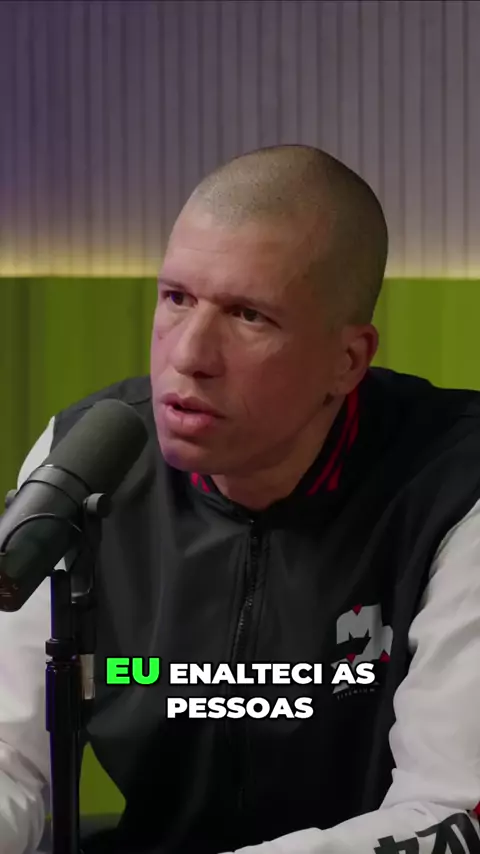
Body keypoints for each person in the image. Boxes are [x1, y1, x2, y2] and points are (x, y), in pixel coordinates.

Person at [1, 144, 480, 854]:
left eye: (249, 316)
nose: (189, 355)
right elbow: (7, 759)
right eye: (176, 298)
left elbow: (444, 813)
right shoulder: (85, 460)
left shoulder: (456, 487)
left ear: (348, 359)